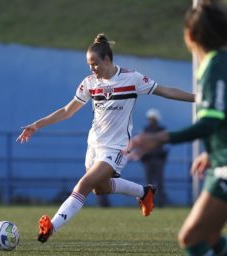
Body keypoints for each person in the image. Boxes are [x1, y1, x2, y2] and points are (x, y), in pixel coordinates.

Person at [16, 33, 194, 243]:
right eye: (89, 65)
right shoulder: (90, 83)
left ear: (107, 60)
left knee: (83, 184)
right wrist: (37, 125)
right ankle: (144, 192)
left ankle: (51, 227)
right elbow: (67, 111)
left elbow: (166, 91)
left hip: (116, 148)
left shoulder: (132, 79)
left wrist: (197, 98)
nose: (92, 69)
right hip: (94, 145)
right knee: (100, 189)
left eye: (95, 64)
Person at [127, 1, 227, 255]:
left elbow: (209, 123)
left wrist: (160, 138)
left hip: (225, 167)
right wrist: (210, 151)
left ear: (190, 35)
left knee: (191, 238)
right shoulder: (217, 65)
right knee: (212, 236)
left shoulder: (216, 67)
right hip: (219, 162)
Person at [141, 109, 168, 207]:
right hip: (148, 160)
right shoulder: (146, 130)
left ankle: (160, 202)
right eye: (149, 119)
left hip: (158, 159)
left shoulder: (161, 130)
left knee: (159, 182)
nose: (150, 121)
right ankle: (149, 202)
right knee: (149, 182)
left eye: (152, 119)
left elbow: (165, 145)